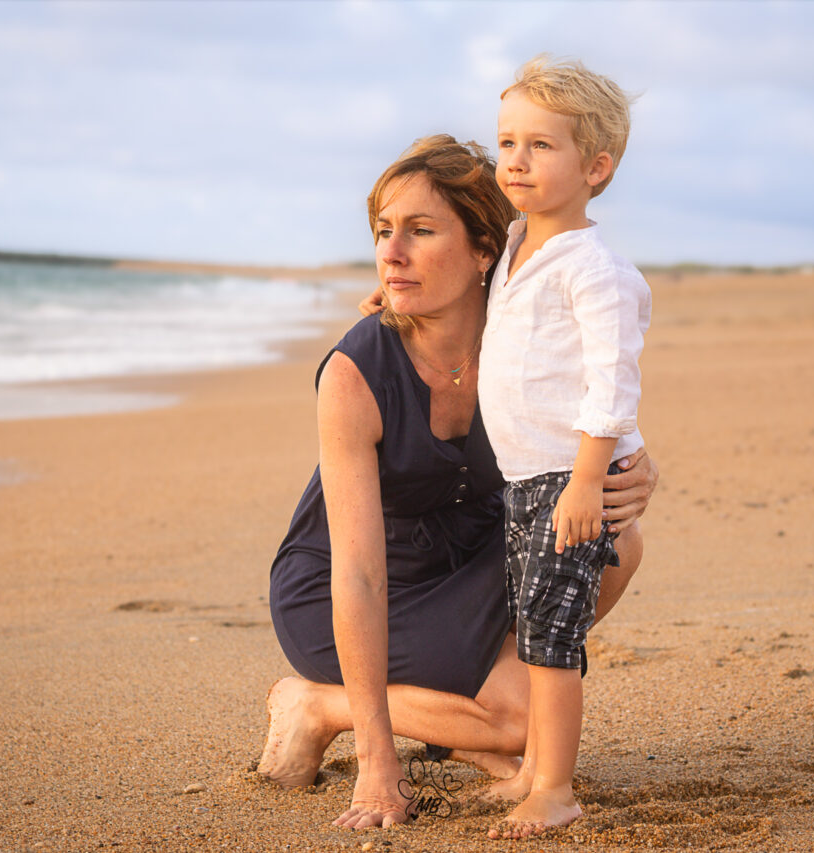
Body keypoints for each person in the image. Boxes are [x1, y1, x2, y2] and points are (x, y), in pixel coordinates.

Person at [258, 134, 659, 831]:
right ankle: (321, 702)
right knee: (519, 721)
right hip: (353, 586)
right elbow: (358, 575)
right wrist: (379, 765)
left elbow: (601, 395)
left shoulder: (525, 323)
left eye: (419, 231)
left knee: (617, 544)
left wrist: (635, 462)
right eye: (384, 232)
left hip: (470, 556)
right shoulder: (355, 375)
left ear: (486, 252)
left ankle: (466, 716)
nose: (391, 252)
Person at [477, 56, 650, 840]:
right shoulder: (514, 246)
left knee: (549, 638)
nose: (515, 159)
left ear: (596, 166)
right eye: (508, 140)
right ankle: (531, 766)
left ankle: (555, 787)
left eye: (540, 145)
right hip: (525, 477)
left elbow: (611, 382)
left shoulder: (594, 270)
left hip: (566, 477)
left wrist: (588, 478)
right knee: (538, 624)